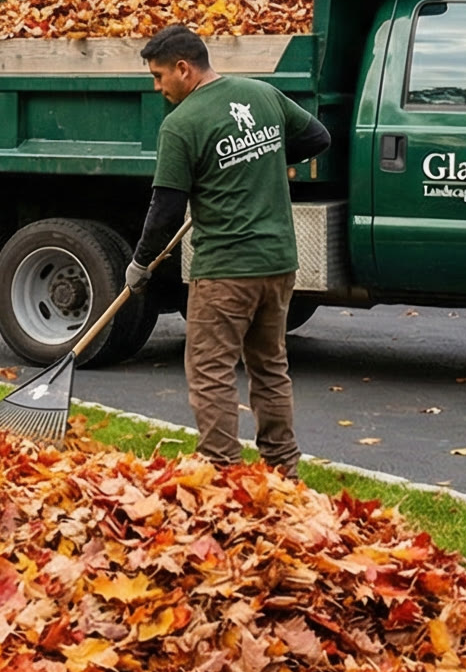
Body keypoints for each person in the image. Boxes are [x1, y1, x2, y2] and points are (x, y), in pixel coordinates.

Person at [126, 24, 331, 476]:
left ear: (184, 68)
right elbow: (318, 138)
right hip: (278, 264)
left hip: (225, 271)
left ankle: (223, 475)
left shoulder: (181, 125)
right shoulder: (262, 94)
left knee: (211, 371)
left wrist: (140, 264)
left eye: (159, 77)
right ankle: (283, 470)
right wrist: (263, 158)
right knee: (270, 368)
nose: (158, 88)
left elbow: (165, 210)